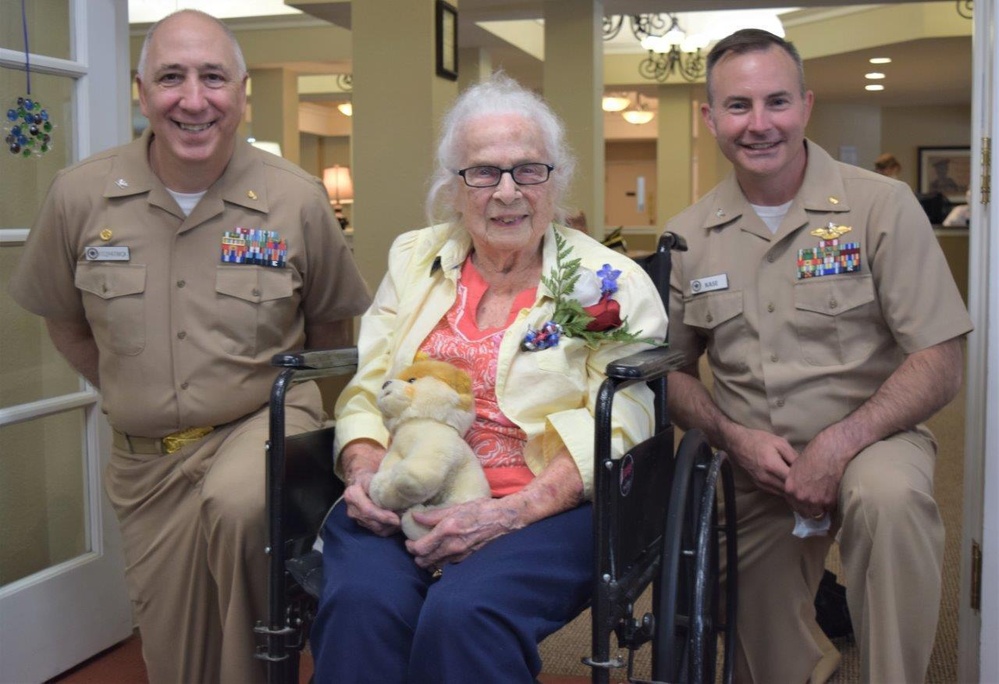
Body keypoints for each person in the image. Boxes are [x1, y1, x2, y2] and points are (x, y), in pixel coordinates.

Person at [8, 10, 370, 684]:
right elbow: (64, 319)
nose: (193, 99)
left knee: (240, 507)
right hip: (146, 470)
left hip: (258, 425)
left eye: (213, 78)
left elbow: (330, 337)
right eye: (171, 78)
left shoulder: (295, 200)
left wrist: (312, 438)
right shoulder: (80, 197)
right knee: (177, 657)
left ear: (242, 93)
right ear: (142, 90)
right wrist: (128, 390)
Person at [309, 73, 668, 683]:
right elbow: (369, 383)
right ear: (454, 188)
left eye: (529, 170)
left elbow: (625, 418)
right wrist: (366, 469)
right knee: (363, 603)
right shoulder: (413, 257)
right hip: (407, 486)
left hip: (546, 504)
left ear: (556, 181)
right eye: (483, 172)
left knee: (465, 612)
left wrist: (513, 513)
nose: (507, 192)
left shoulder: (611, 282)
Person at [664, 29, 972, 684]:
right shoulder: (687, 237)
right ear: (709, 117)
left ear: (805, 105)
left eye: (775, 101)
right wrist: (730, 435)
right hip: (754, 461)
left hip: (872, 438)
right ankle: (806, 657)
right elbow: (670, 370)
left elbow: (940, 355)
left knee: (889, 503)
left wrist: (840, 443)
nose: (758, 124)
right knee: (758, 660)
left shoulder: (879, 207)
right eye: (737, 105)